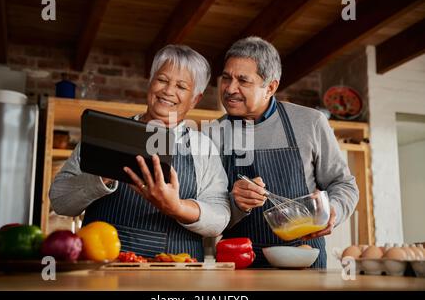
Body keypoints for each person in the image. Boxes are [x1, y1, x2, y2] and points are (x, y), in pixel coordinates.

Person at [50, 45, 230, 262]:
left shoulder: (203, 147)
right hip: (104, 269)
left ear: (195, 99)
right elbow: (60, 201)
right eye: (162, 80)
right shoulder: (107, 132)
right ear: (151, 81)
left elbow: (220, 217)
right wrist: (102, 174)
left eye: (181, 86)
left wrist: (176, 207)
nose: (168, 91)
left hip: (175, 273)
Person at [215, 36, 359, 268]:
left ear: (270, 87)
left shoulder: (310, 122)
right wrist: (235, 202)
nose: (231, 89)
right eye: (226, 78)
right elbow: (208, 206)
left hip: (303, 257)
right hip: (239, 262)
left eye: (243, 80)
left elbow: (343, 184)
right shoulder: (213, 134)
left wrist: (333, 210)